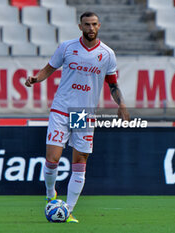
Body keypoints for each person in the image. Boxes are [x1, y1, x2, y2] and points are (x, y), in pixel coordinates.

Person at [25, 11, 129, 223]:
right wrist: (36, 79)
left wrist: (121, 104)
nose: (90, 28)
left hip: (84, 113)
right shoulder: (67, 47)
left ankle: (67, 210)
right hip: (62, 108)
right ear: (79, 26)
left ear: (99, 26)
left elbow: (113, 84)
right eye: (86, 25)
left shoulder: (107, 54)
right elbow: (48, 68)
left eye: (94, 24)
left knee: (79, 162)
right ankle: (50, 195)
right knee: (52, 159)